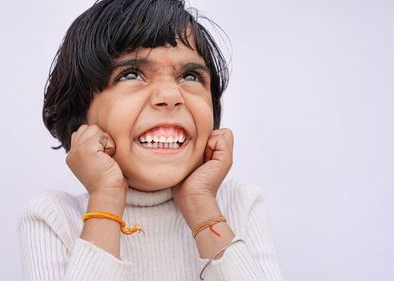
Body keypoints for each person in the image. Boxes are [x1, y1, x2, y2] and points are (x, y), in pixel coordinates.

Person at [17, 0, 284, 280]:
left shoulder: (239, 204)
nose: (170, 96)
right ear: (81, 115)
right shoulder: (53, 217)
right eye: (131, 74)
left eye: (190, 76)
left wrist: (201, 205)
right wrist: (106, 197)